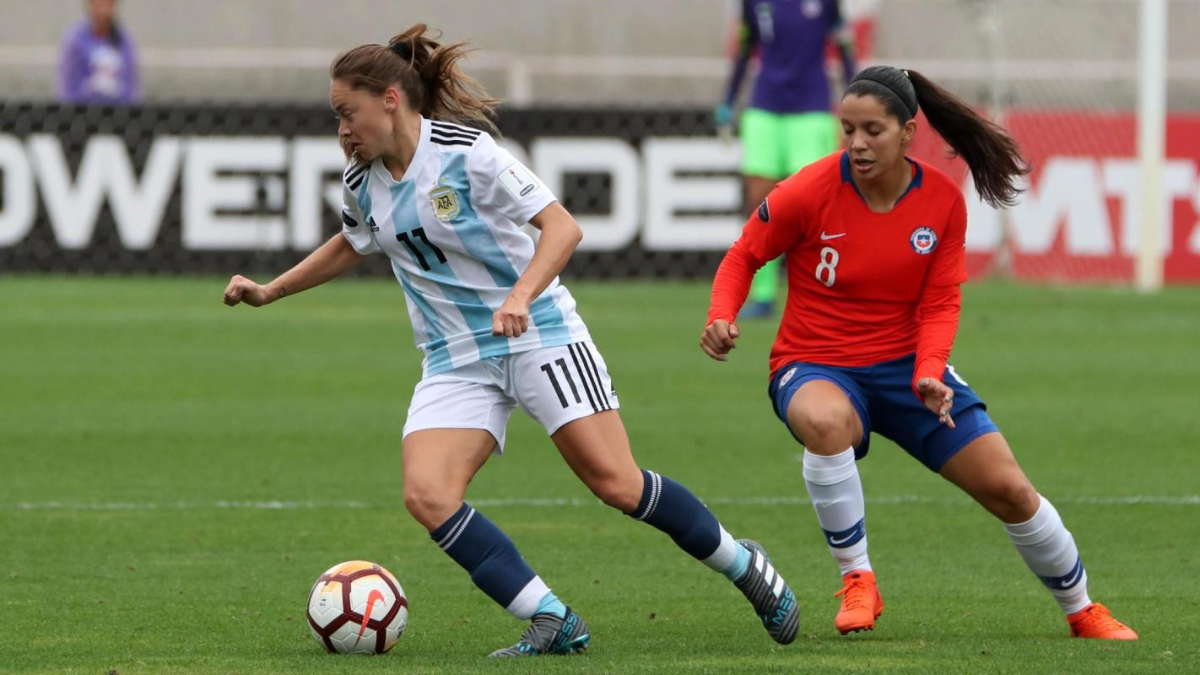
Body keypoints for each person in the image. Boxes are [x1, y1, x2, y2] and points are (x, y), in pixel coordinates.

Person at [223, 24, 800, 658]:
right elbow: (353, 242)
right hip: (454, 359)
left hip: (539, 335)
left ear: (389, 99)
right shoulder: (361, 182)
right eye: (336, 117)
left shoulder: (467, 152)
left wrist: (521, 295)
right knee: (427, 494)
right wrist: (272, 290)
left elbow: (562, 228)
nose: (342, 130)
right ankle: (550, 617)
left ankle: (742, 562)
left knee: (618, 484)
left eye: (347, 112)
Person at [701, 65, 1138, 640]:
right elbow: (744, 256)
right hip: (816, 364)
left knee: (1009, 488)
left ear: (908, 132)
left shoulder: (941, 200)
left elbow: (940, 303)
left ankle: (1082, 610)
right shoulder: (807, 190)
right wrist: (721, 315)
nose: (857, 143)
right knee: (824, 422)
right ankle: (858, 578)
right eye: (848, 129)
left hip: (909, 370)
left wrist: (930, 373)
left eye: (873, 130)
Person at [717, 0, 855, 318]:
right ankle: (763, 295)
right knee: (760, 202)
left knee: (813, 207)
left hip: (812, 109)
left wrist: (856, 96)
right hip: (764, 107)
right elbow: (745, 48)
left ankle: (818, 292)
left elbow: (844, 46)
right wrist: (729, 99)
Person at [58, 0, 141, 105]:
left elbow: (131, 88)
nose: (103, 11)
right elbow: (67, 90)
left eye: (107, 4)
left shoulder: (124, 41)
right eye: (98, 5)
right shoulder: (75, 40)